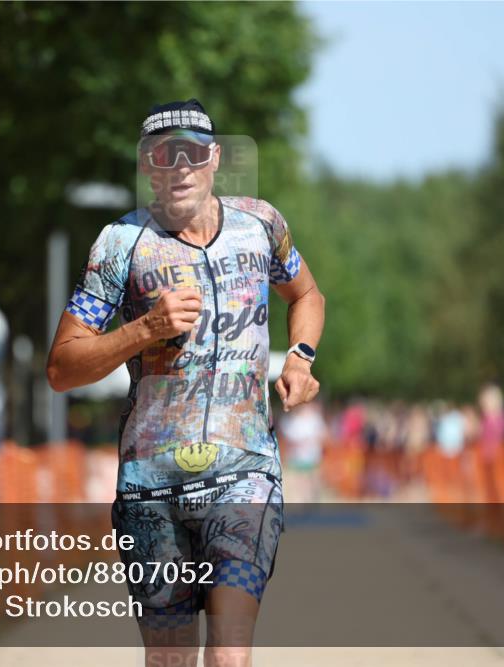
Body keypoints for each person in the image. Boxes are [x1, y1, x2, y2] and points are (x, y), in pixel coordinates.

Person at [46, 99, 325, 667]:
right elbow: (62, 367)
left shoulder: (260, 225)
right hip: (151, 489)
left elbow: (307, 295)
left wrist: (298, 358)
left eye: (192, 153)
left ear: (214, 158)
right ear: (147, 165)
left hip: (243, 474)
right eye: (163, 154)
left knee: (228, 655)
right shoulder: (120, 245)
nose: (179, 167)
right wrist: (145, 327)